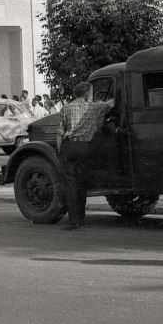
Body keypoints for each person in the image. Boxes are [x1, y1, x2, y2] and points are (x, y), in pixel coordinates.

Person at [56, 81, 114, 231]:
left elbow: (59, 133)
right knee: (82, 186)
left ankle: (73, 222)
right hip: (85, 148)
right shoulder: (93, 107)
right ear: (87, 94)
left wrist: (60, 151)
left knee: (70, 185)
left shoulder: (66, 108)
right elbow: (110, 104)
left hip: (69, 147)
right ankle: (81, 221)